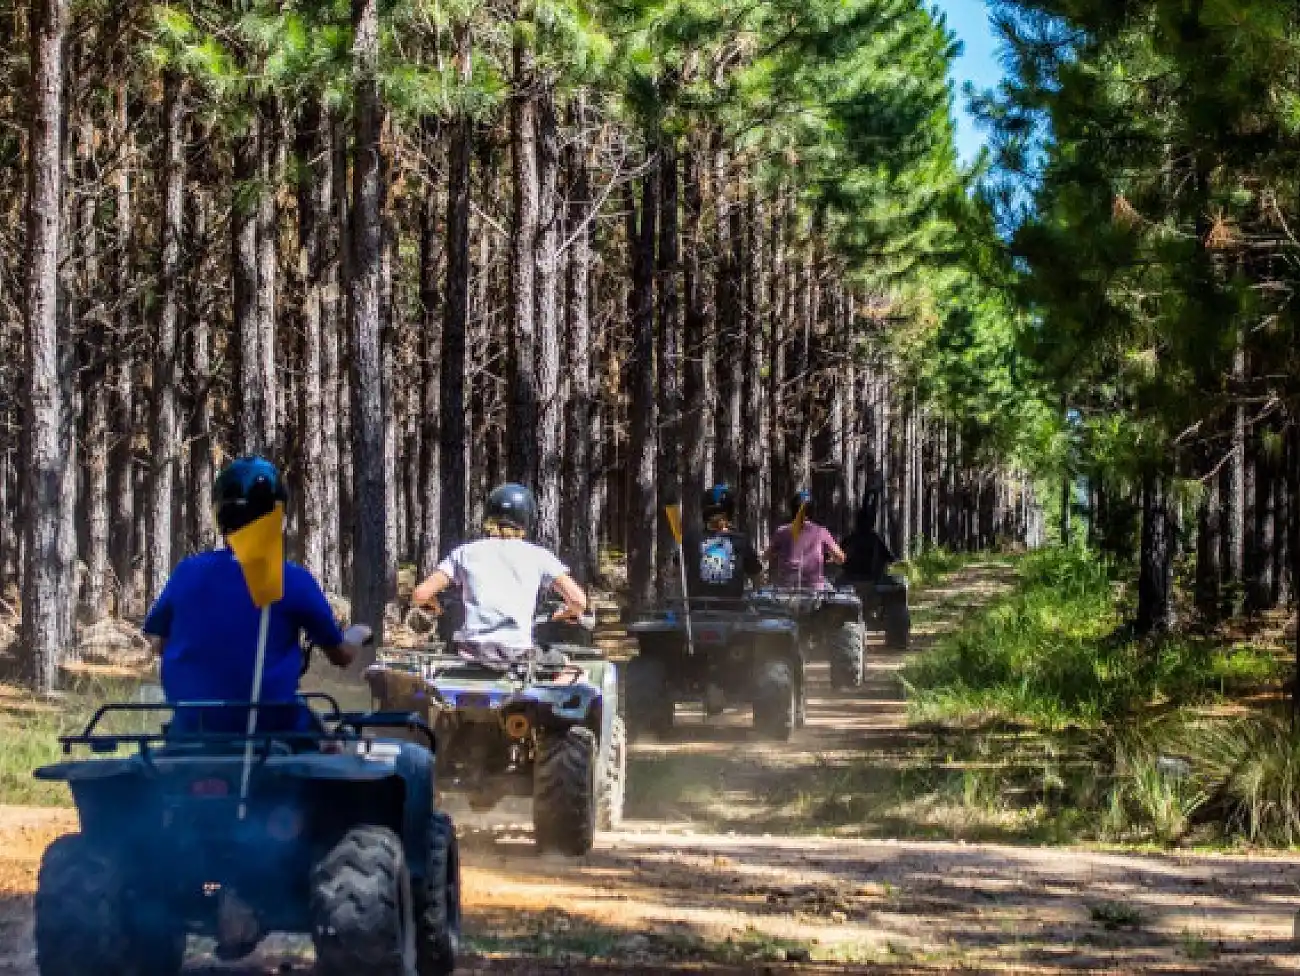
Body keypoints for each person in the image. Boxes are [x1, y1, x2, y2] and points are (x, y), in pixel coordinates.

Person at [143, 455, 370, 735]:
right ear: (278, 516)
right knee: (340, 740)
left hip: (193, 729)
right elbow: (342, 655)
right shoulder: (291, 580)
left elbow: (159, 643)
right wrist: (359, 632)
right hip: (272, 729)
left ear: (220, 516)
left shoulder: (187, 572)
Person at [411, 482, 588, 668]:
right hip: (517, 654)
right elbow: (578, 601)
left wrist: (436, 607)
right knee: (572, 671)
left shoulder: (464, 552)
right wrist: (565, 614)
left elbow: (420, 595)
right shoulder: (538, 555)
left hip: (471, 652)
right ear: (527, 519)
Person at [681, 484, 763, 602]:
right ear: (730, 512)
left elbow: (675, 572)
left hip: (697, 611)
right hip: (731, 612)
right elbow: (756, 576)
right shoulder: (740, 539)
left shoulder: (692, 537)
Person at [766, 489, 846, 590]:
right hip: (813, 589)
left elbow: (767, 556)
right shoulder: (821, 532)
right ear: (812, 511)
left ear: (792, 510)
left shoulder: (781, 531)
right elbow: (841, 558)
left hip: (786, 588)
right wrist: (833, 559)